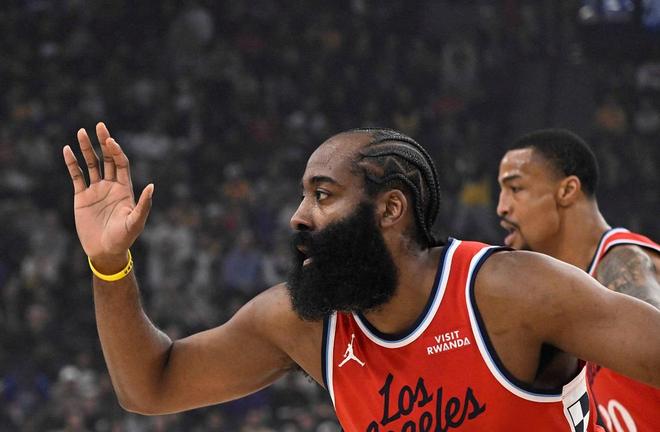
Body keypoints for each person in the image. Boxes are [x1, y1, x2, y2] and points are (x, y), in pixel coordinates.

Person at [62, 122, 660, 431]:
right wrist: (110, 264)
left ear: (390, 209)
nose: (299, 216)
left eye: (323, 195)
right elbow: (151, 387)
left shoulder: (510, 291)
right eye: (304, 196)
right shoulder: (302, 324)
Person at [496, 128, 660, 432]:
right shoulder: (569, 296)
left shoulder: (621, 261)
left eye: (515, 189)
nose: (502, 207)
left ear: (567, 190)